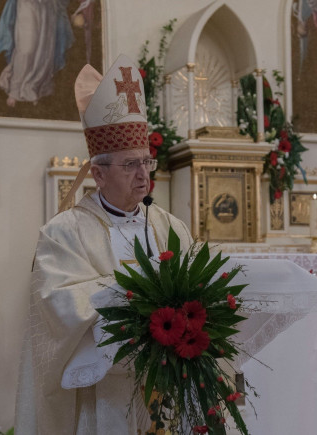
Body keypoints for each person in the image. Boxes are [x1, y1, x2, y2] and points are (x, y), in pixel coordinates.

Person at [14, 54, 193, 434]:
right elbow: (58, 306)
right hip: (101, 397)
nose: (143, 175)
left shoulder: (171, 227)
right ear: (98, 173)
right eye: (130, 165)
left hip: (166, 389)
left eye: (146, 162)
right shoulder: (63, 233)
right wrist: (132, 294)